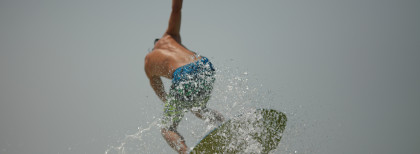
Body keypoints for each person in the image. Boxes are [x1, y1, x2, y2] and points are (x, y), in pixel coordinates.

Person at [144, 0, 224, 153]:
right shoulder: (170, 37)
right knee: (198, 109)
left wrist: (173, 104)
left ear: (153, 47)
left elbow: (161, 92)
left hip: (183, 75)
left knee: (167, 128)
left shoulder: (148, 62)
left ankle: (185, 152)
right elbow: (176, 8)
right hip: (205, 65)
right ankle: (223, 123)